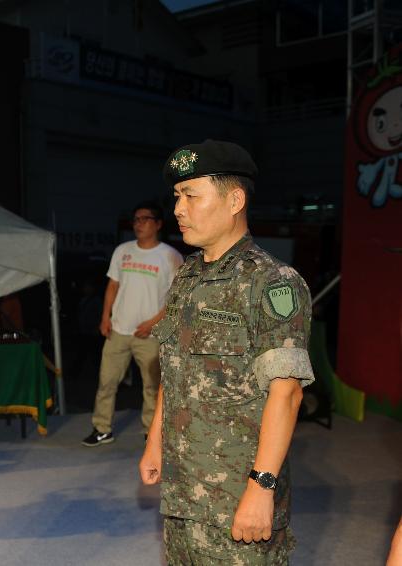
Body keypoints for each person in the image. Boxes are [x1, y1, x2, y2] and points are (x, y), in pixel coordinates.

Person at [139, 139, 315, 564]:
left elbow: (287, 392)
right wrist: (155, 440)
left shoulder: (272, 282)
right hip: (183, 490)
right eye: (176, 196)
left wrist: (261, 486)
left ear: (234, 199)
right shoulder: (186, 278)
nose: (178, 209)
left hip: (237, 495)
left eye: (191, 196)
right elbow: (174, 365)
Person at [81, 202, 182, 447]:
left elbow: (178, 299)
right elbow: (113, 285)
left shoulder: (170, 256)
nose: (138, 224)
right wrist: (106, 317)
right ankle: (102, 429)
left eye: (145, 219)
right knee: (106, 382)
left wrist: (152, 322)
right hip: (119, 330)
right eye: (136, 219)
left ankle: (151, 432)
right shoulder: (122, 251)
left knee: (151, 386)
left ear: (158, 224)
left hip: (150, 333)